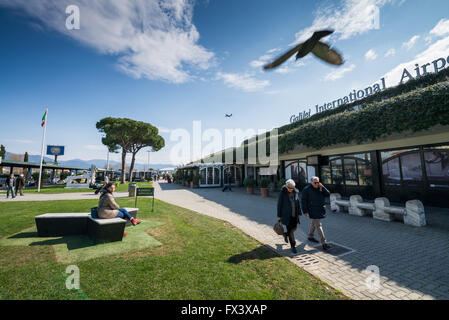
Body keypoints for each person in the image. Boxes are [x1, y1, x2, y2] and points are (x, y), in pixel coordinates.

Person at [301, 176, 331, 250]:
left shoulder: (320, 187)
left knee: (313, 223)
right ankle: (324, 243)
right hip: (312, 209)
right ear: (311, 182)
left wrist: (322, 187)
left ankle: (310, 236)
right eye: (315, 182)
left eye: (318, 182)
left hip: (320, 209)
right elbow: (303, 201)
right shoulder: (306, 189)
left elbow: (328, 194)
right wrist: (305, 211)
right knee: (318, 225)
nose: (317, 184)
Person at [277, 179, 302, 253]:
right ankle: (293, 246)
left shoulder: (296, 192)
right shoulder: (282, 193)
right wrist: (279, 215)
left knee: (294, 228)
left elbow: (298, 203)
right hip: (286, 215)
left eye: (292, 188)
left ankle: (285, 234)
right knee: (291, 231)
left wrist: (300, 213)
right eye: (289, 188)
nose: (291, 189)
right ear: (286, 187)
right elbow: (279, 205)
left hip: (295, 214)